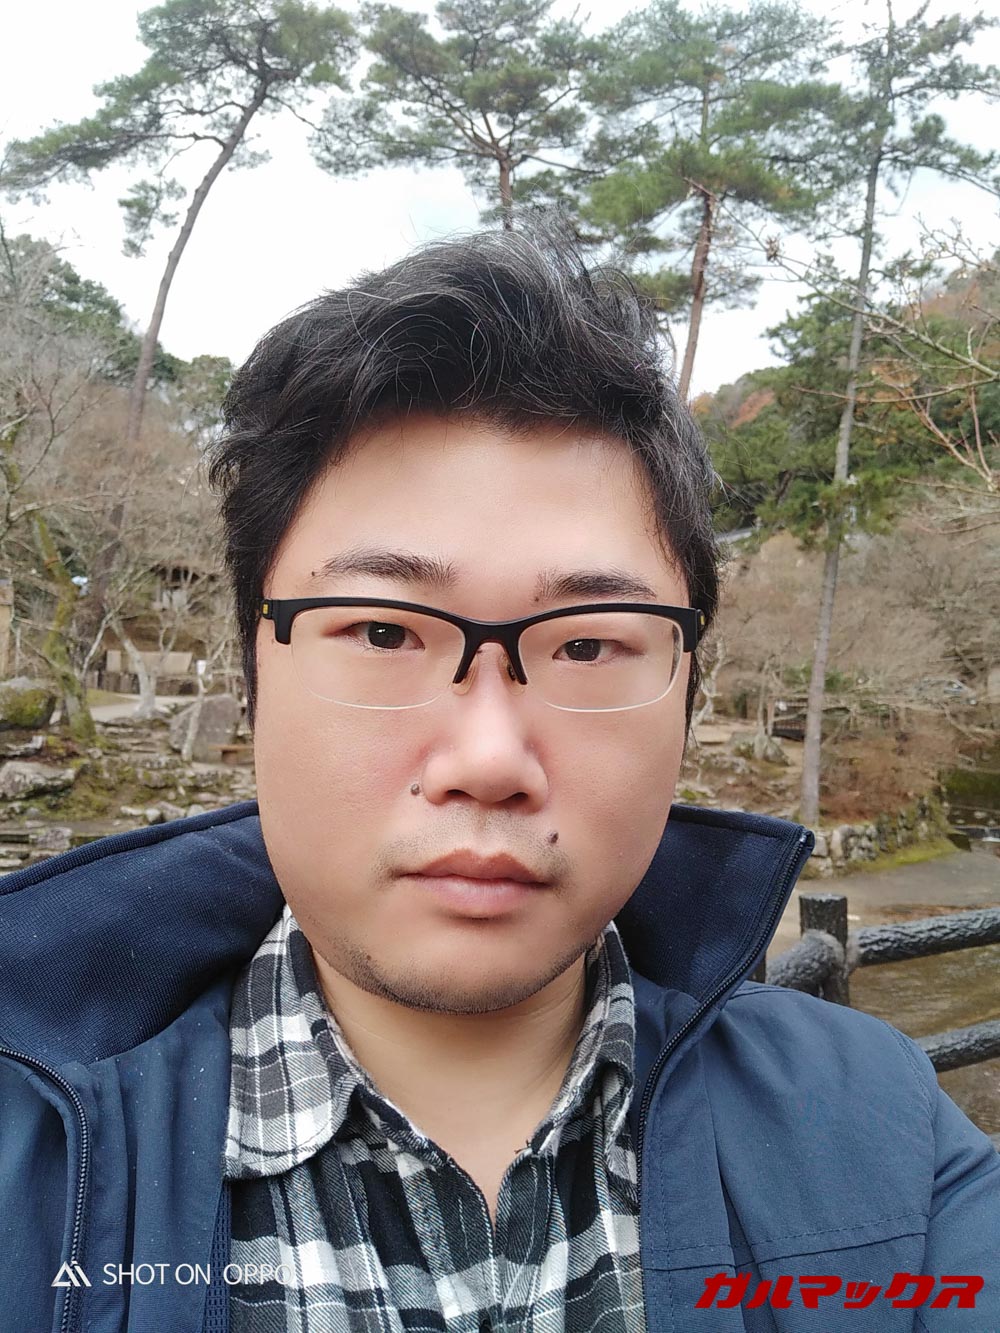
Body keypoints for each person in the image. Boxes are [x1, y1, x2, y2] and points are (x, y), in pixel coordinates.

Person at [1, 226, 996, 1333]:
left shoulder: (879, 1135)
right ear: (252, 678)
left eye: (588, 644)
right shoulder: (29, 1161)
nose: (487, 759)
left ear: (687, 694)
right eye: (383, 631)